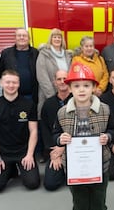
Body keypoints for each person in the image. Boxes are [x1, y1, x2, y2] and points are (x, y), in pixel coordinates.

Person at [54, 62, 114, 210]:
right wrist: (59, 139)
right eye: (76, 86)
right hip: (74, 167)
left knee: (98, 200)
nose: (81, 90)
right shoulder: (62, 112)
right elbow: (54, 134)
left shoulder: (105, 109)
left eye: (86, 85)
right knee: (79, 201)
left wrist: (108, 137)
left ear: (94, 87)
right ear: (69, 88)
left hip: (101, 166)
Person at [0, 70, 40, 194]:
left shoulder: (29, 104)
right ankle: (11, 170)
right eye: (8, 82)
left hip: (23, 152)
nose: (11, 85)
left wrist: (30, 155)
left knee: (33, 183)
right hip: (3, 153)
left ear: (19, 84)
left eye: (14, 82)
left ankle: (15, 167)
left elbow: (33, 132)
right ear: (1, 83)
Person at [36, 28, 72, 162]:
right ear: (50, 39)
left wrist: (66, 93)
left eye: (59, 37)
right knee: (48, 124)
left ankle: (66, 149)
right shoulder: (44, 54)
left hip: (66, 95)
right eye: (54, 37)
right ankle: (48, 151)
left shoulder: (68, 55)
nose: (57, 39)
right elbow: (42, 76)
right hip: (50, 95)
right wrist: (55, 96)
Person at [41, 70, 71, 191]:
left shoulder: (78, 102)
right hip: (55, 149)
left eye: (65, 78)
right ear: (54, 82)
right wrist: (55, 154)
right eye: (59, 79)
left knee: (82, 181)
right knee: (50, 184)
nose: (62, 81)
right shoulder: (48, 104)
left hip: (76, 149)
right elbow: (45, 131)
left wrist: (62, 148)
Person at [0, 28, 39, 103]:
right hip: (11, 95)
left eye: (24, 36)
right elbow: (2, 72)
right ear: (15, 38)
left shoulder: (36, 53)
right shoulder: (6, 53)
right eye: (19, 35)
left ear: (29, 39)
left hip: (31, 95)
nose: (22, 37)